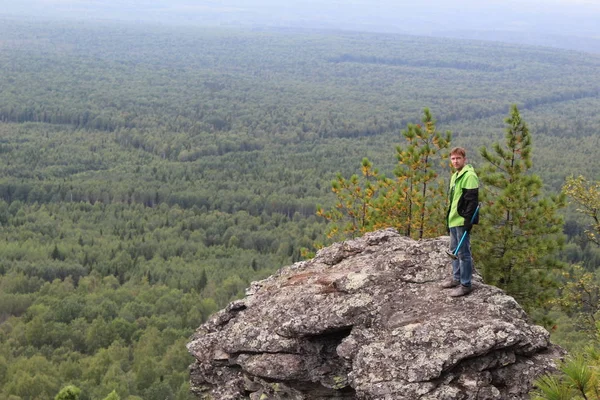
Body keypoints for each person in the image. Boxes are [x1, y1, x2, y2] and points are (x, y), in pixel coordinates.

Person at [442, 147, 479, 297]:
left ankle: (465, 284)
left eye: (458, 158)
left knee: (463, 253)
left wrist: (468, 221)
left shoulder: (469, 176)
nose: (455, 161)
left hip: (462, 220)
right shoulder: (455, 176)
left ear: (465, 159)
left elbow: (472, 201)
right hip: (453, 219)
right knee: (454, 250)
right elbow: (453, 200)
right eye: (453, 158)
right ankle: (456, 278)